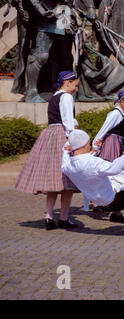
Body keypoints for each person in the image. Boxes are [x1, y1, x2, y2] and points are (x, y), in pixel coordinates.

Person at [15, 71, 80, 230]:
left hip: (50, 134)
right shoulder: (65, 97)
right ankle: (63, 218)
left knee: (54, 180)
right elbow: (67, 121)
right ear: (67, 83)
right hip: (62, 136)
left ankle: (49, 216)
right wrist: (73, 140)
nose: (76, 88)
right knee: (67, 181)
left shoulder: (55, 96)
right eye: (75, 84)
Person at [62, 129, 124, 223]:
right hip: (113, 201)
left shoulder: (67, 166)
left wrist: (95, 150)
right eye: (89, 143)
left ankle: (117, 215)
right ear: (84, 145)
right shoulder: (93, 163)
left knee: (117, 177)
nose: (90, 145)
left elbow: (78, 160)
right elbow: (115, 168)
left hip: (97, 203)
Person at [93, 90, 124, 162]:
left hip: (119, 142)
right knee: (111, 164)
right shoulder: (115, 113)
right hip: (112, 143)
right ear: (121, 102)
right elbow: (104, 128)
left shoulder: (123, 113)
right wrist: (95, 144)